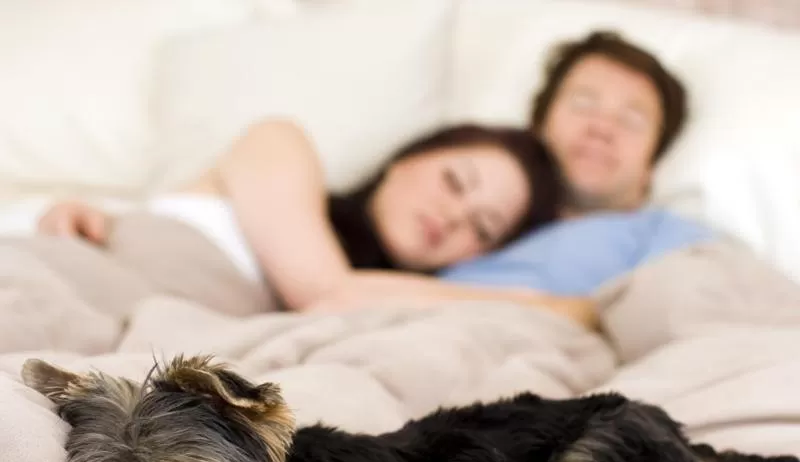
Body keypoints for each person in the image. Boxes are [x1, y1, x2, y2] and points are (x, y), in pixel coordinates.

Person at [36, 123, 597, 327]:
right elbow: (325, 292)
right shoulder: (282, 143)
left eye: (483, 227)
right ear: (407, 158)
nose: (452, 217)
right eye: (455, 181)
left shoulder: (377, 307)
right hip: (65, 277)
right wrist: (541, 304)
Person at [442, 30, 717, 295]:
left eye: (631, 121)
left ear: (651, 166)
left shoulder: (674, 240)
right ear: (537, 125)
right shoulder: (469, 214)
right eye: (583, 104)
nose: (602, 128)